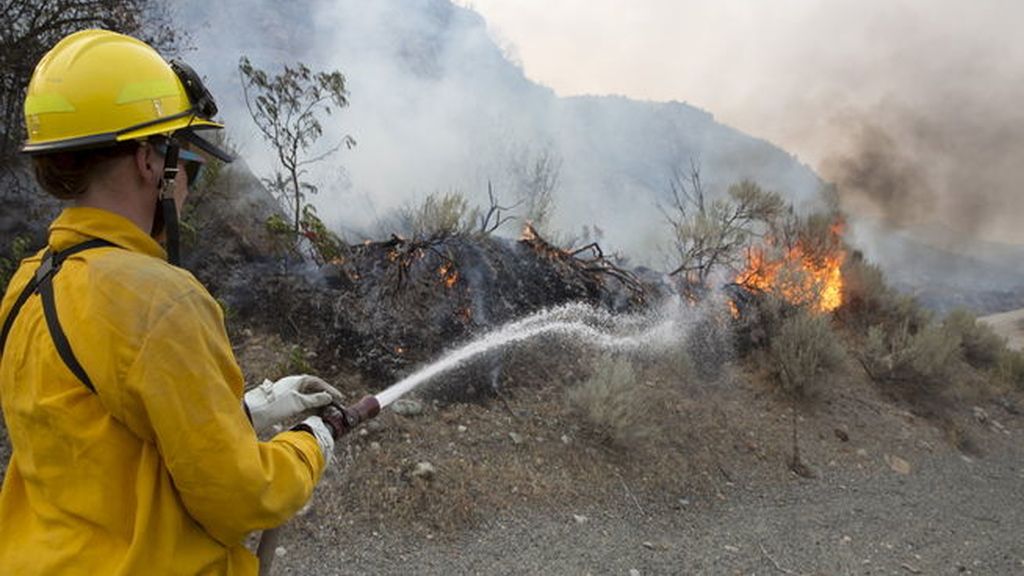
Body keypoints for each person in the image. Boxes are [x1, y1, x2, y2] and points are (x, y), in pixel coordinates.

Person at [0, 29, 342, 574]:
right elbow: (240, 499)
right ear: (148, 160)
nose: (188, 188)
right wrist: (311, 443)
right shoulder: (162, 300)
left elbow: (105, 442)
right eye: (191, 167)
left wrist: (245, 414)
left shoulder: (27, 286)